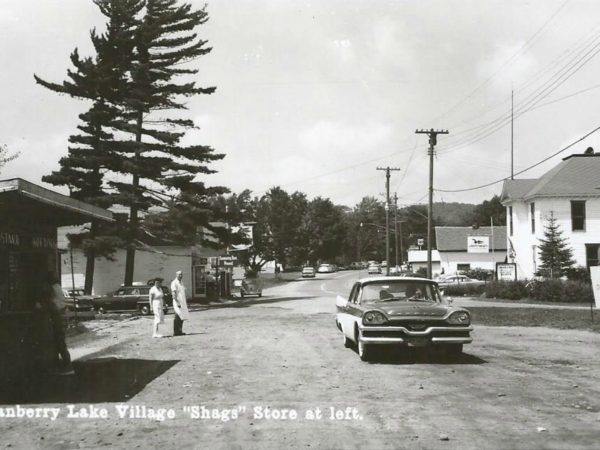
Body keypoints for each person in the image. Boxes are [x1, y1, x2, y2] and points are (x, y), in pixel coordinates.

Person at [41, 272, 74, 375]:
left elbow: (51, 303)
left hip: (57, 316)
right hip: (62, 315)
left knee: (59, 343)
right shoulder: (58, 286)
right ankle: (64, 366)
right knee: (60, 343)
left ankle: (68, 367)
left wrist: (41, 306)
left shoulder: (51, 289)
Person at [170, 270, 190, 336]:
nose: (180, 276)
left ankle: (180, 331)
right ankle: (175, 332)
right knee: (177, 316)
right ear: (176, 275)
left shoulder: (181, 282)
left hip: (183, 302)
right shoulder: (174, 283)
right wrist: (177, 302)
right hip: (177, 302)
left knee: (182, 316)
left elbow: (183, 293)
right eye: (179, 274)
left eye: (181, 274)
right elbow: (173, 293)